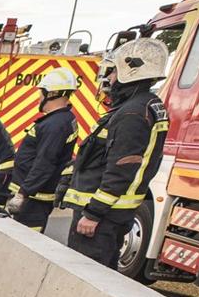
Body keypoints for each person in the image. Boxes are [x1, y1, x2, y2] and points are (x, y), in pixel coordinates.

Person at [62, 38, 169, 266]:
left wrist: (93, 214)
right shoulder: (142, 106)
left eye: (113, 72)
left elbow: (121, 169)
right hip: (110, 214)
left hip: (103, 219)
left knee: (87, 277)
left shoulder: (133, 113)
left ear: (130, 70)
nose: (109, 79)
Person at [5, 69, 81, 231]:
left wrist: (22, 194)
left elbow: (45, 162)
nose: (39, 97)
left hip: (33, 199)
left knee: (24, 240)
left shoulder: (56, 125)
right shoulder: (61, 120)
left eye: (42, 92)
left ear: (52, 94)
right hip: (34, 197)